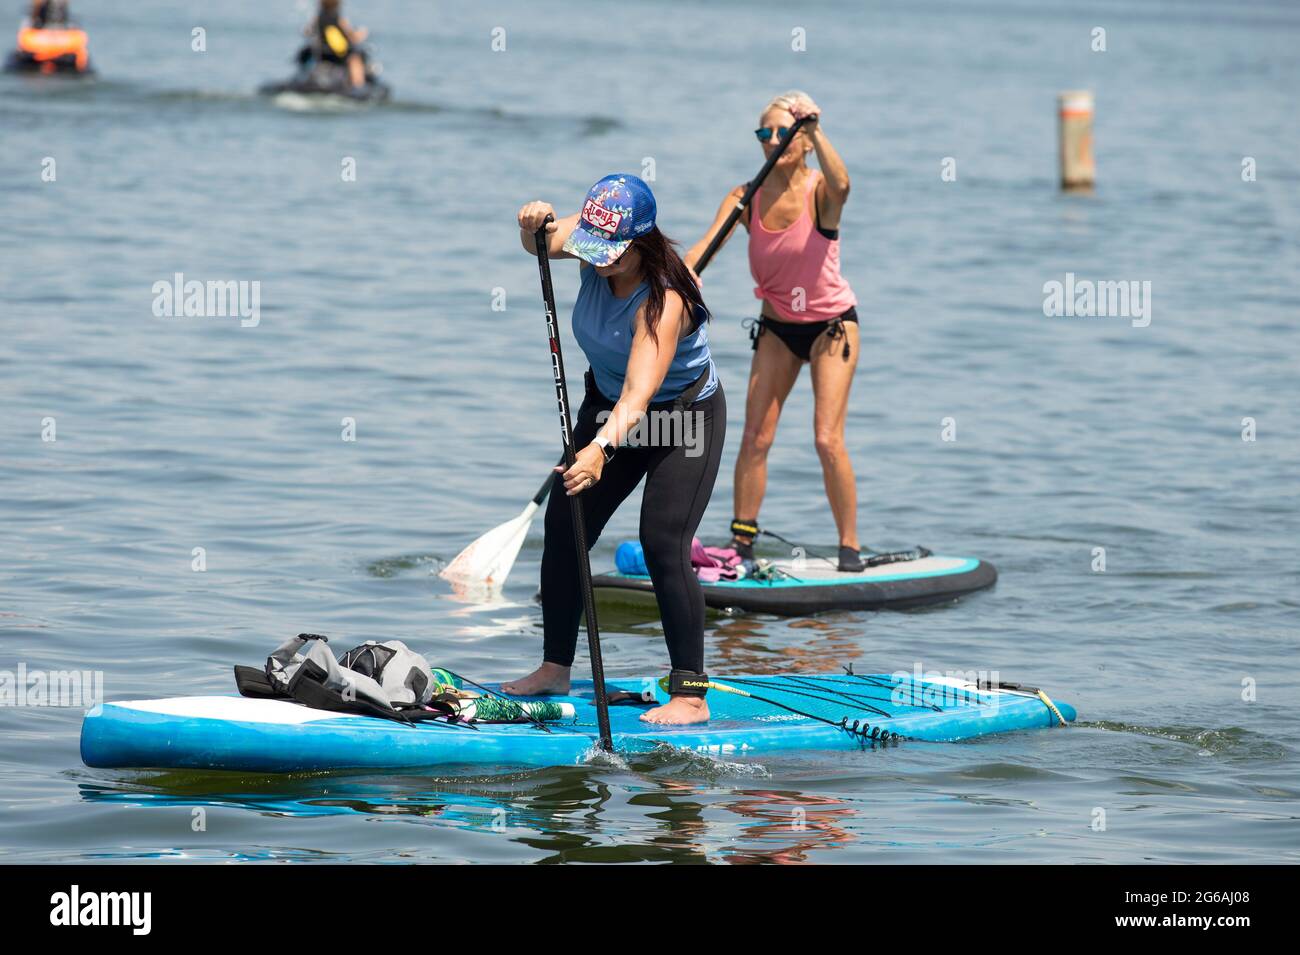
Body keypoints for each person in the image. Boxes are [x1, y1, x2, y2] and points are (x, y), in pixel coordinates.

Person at [505, 175, 726, 726]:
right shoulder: (594, 239)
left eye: (612, 253)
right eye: (594, 249)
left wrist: (601, 448)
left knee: (662, 541)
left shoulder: (665, 301)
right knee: (567, 520)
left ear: (641, 240)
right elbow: (541, 244)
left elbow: (640, 393)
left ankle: (691, 694)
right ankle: (555, 667)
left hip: (681, 419)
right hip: (605, 405)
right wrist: (533, 222)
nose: (598, 260)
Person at [685, 91, 864, 572]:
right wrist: (677, 281)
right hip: (777, 328)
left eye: (783, 132)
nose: (772, 141)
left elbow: (844, 186)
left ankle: (850, 548)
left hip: (831, 328)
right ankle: (742, 545)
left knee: (826, 439)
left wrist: (817, 129)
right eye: (764, 133)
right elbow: (707, 245)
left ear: (803, 140)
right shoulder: (746, 196)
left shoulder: (820, 192)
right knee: (756, 438)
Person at [304, 0, 369, 89]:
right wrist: (362, 34)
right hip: (339, 56)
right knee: (355, 59)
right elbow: (352, 37)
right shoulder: (339, 19)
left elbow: (307, 32)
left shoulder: (317, 18)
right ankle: (358, 85)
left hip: (323, 54)